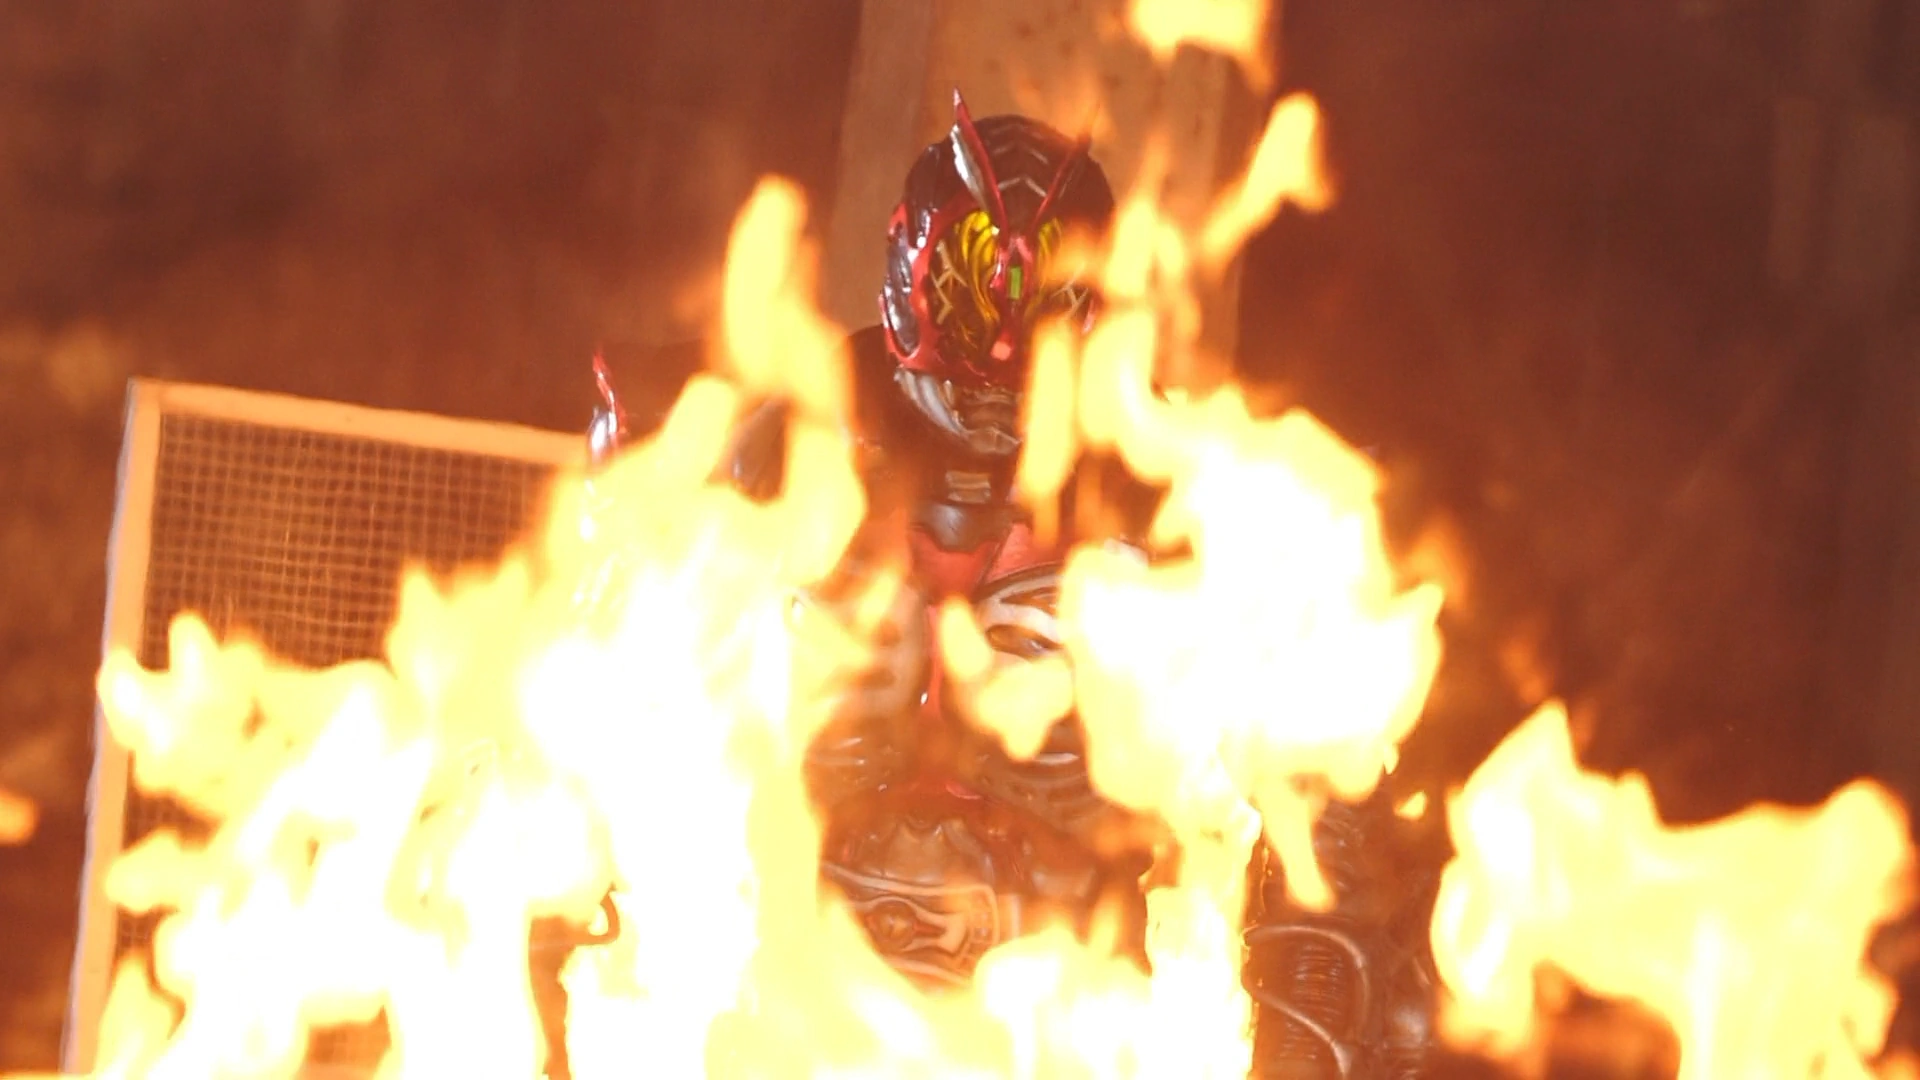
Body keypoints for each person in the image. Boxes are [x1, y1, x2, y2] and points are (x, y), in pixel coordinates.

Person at [583, 90, 1439, 1078]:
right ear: (915, 271)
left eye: (1046, 290)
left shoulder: (1185, 487)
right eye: (973, 275)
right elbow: (589, 707)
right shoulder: (756, 441)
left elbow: (1326, 786)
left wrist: (1307, 1004)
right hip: (786, 993)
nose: (1000, 336)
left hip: (1066, 1013)